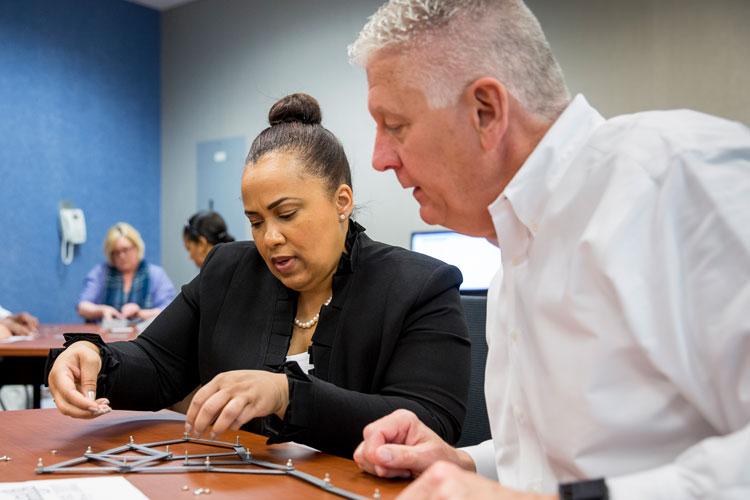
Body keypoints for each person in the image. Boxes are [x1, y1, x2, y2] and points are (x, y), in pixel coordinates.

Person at [349, 1, 750, 499]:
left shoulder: (678, 179)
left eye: (394, 124)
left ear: (485, 111)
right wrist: (463, 461)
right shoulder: (514, 261)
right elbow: (556, 465)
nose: (379, 158)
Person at [46, 93, 471, 458]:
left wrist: (287, 395)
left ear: (342, 201)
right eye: (255, 220)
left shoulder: (420, 286)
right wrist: (96, 360)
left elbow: (430, 424)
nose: (270, 238)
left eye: (286, 214)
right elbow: (158, 364)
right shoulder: (228, 270)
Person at [77, 222, 176, 322]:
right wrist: (102, 310)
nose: (122, 256)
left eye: (126, 250)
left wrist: (139, 313)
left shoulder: (156, 275)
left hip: (145, 334)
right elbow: (82, 306)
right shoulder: (101, 273)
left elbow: (169, 311)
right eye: (116, 252)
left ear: (137, 247)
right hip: (106, 333)